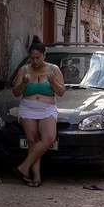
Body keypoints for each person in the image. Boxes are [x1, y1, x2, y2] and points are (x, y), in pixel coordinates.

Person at [11, 36, 66, 187]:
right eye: (32, 58)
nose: (35, 61)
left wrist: (53, 81)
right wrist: (23, 82)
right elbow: (15, 92)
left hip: (47, 109)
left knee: (48, 138)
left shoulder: (54, 69)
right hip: (28, 108)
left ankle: (23, 167)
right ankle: (36, 177)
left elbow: (61, 92)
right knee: (33, 142)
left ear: (44, 55)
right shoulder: (24, 70)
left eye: (38, 58)